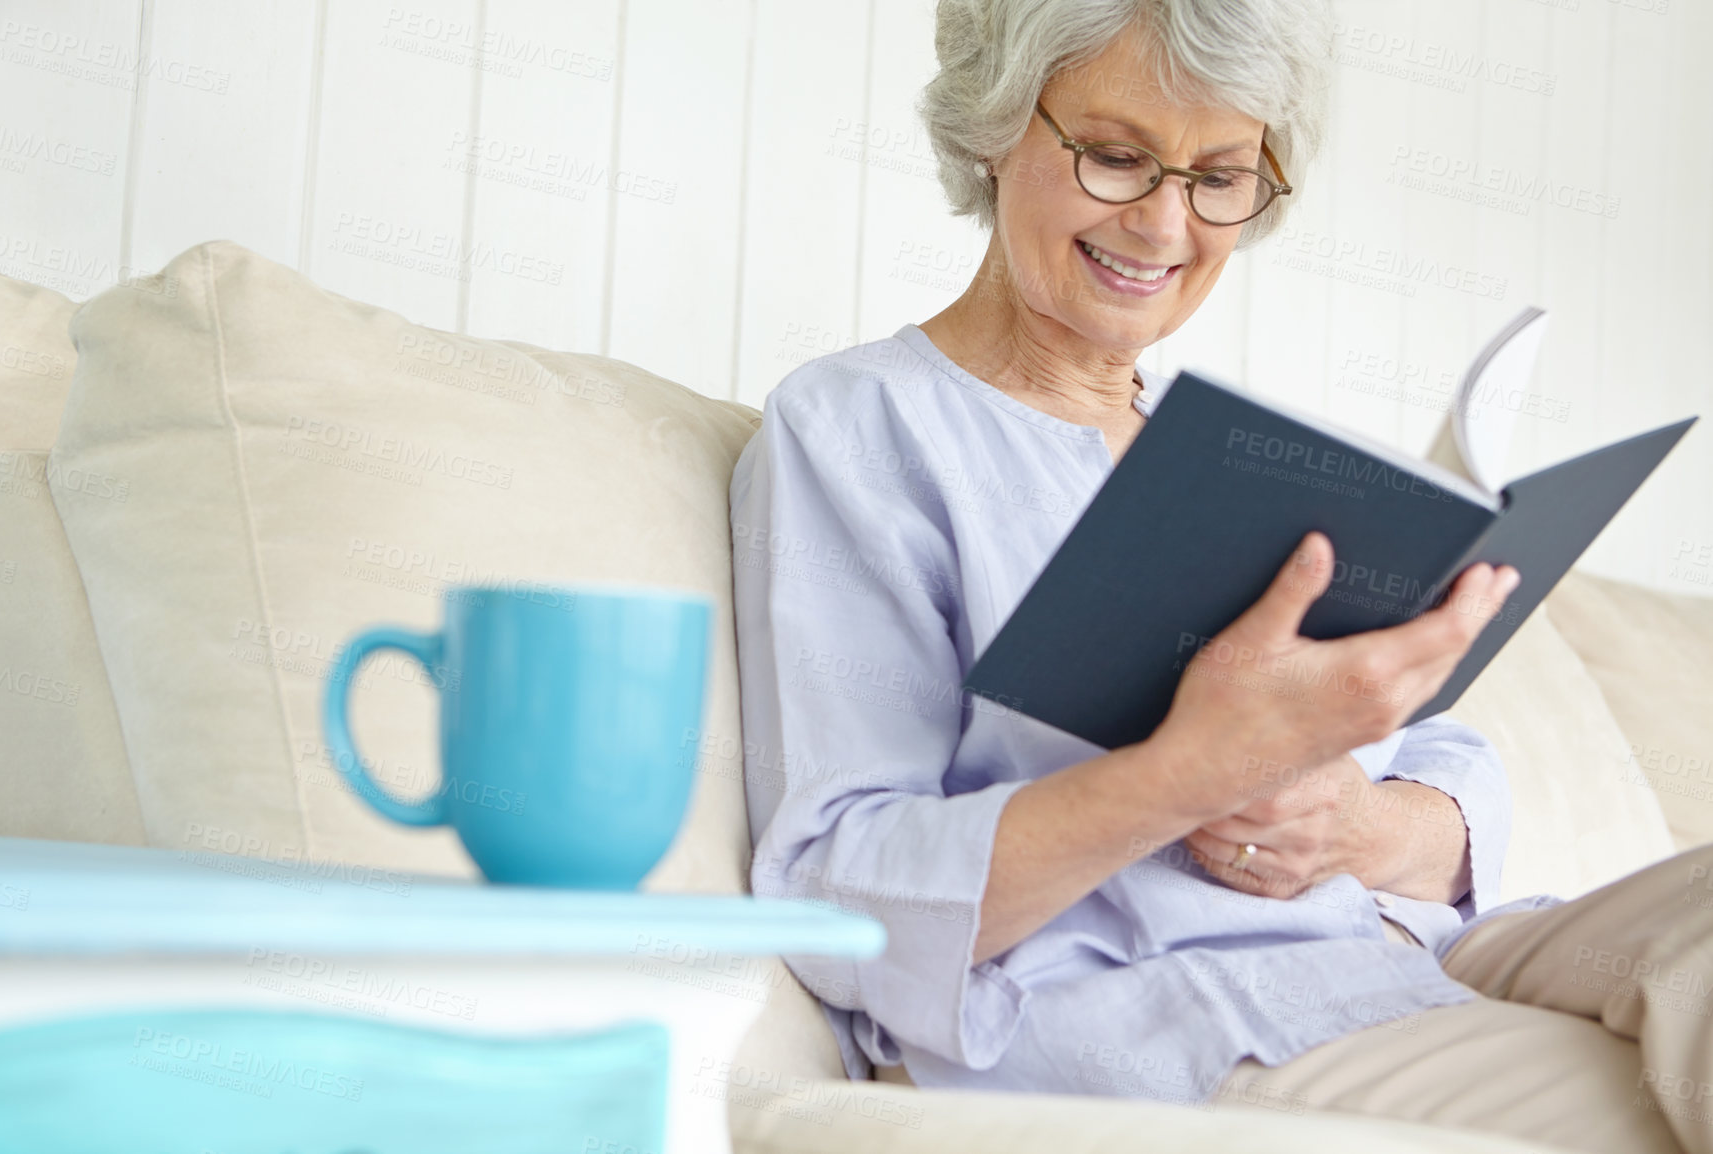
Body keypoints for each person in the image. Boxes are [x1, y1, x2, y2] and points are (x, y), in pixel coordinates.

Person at [729, 2, 1708, 1150]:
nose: (1162, 222)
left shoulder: (1231, 455)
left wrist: (1351, 823)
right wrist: (1187, 774)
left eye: (1219, 176)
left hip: (1411, 949)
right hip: (1177, 1006)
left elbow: (1440, 764)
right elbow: (842, 887)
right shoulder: (864, 427)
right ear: (996, 128)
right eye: (1115, 155)